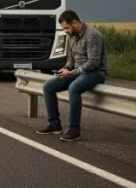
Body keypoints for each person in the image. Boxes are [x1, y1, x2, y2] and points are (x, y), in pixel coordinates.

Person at [35, 10, 107, 142]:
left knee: (74, 88)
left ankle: (74, 130)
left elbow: (93, 62)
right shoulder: (72, 36)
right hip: (76, 72)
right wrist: (66, 68)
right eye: (63, 28)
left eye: (66, 28)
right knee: (48, 86)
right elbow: (71, 60)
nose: (65, 31)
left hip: (95, 72)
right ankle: (54, 125)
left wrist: (72, 72)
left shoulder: (93, 35)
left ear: (75, 23)